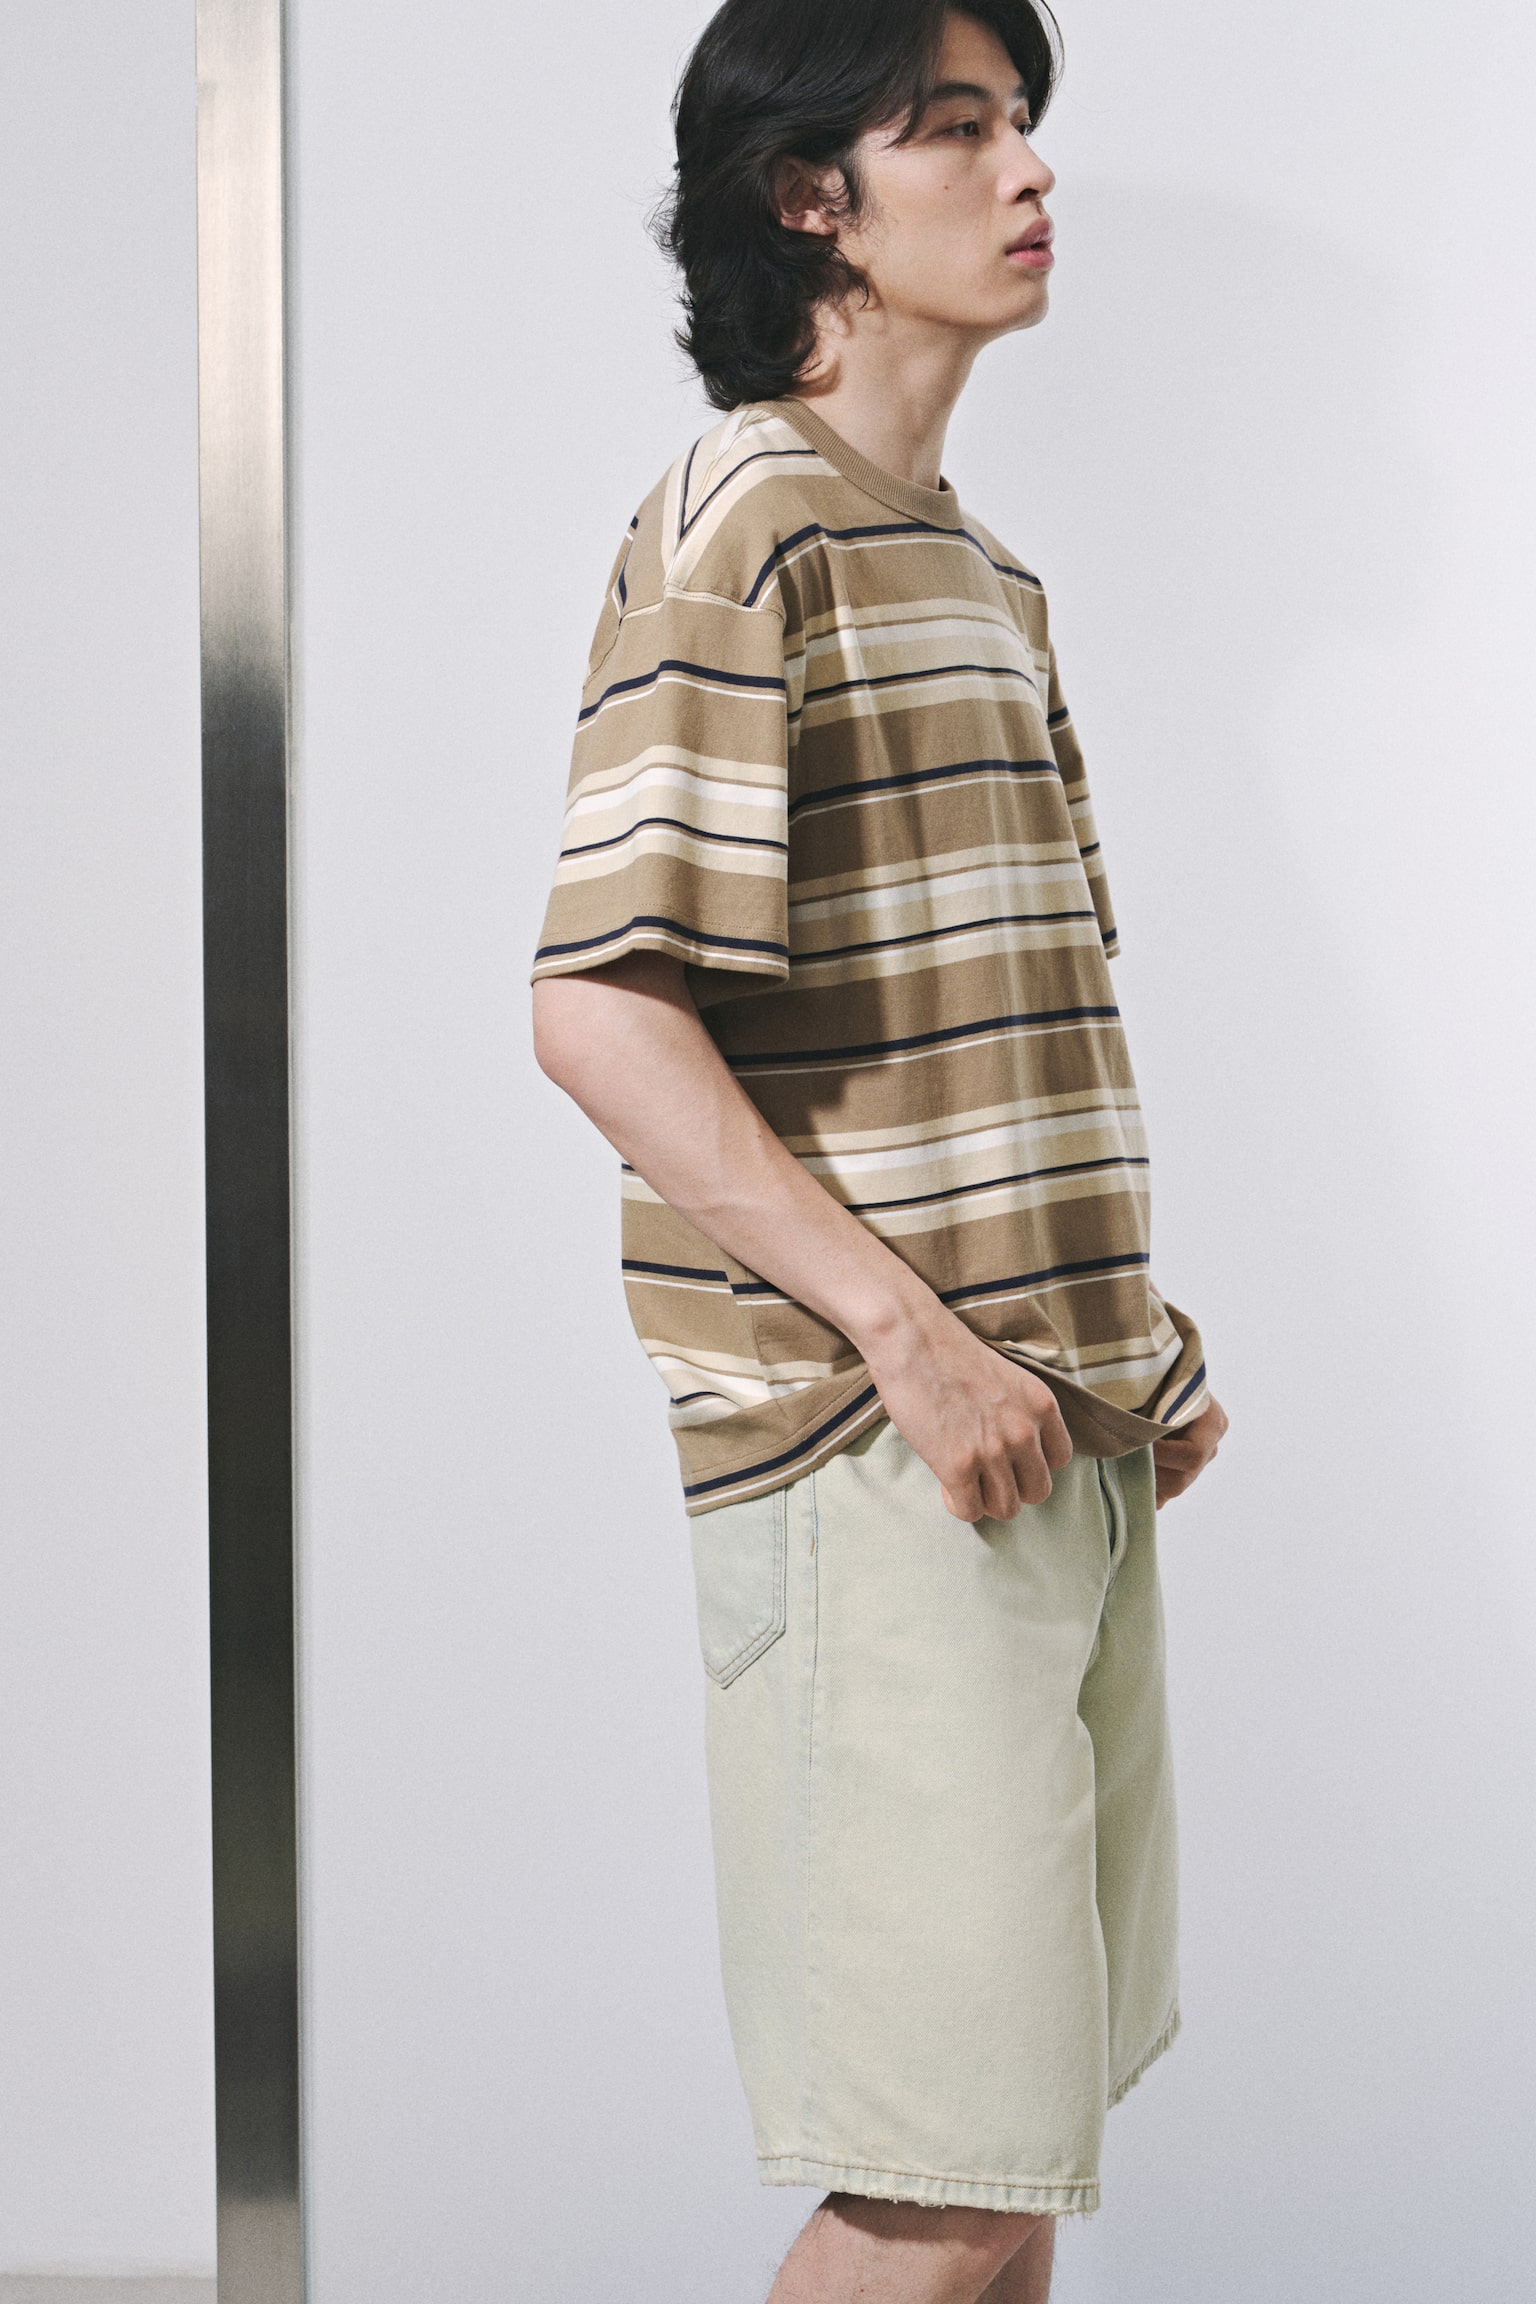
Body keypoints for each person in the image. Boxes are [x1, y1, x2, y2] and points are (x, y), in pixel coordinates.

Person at [532, 1, 1228, 2294]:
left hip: (1045, 1431)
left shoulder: (978, 572)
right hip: (877, 1444)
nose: (1030, 171)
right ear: (806, 197)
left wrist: (1124, 1344)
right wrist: (914, 1345)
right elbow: (602, 1012)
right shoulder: (746, 520)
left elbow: (984, 1032)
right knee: (933, 2179)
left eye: (1023, 122)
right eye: (957, 128)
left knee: (1011, 2156)